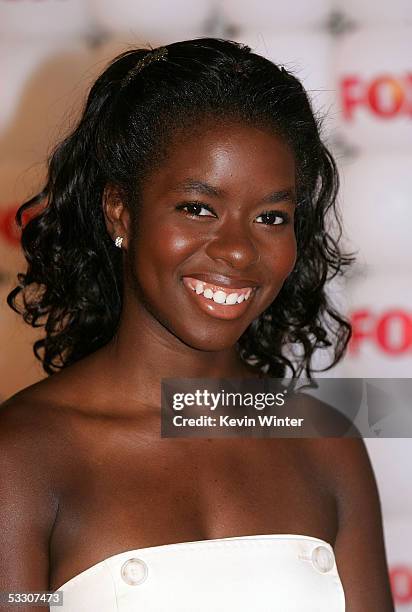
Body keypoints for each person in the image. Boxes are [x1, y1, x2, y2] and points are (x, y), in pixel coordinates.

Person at [1, 38, 394, 611]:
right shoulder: (24, 456)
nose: (237, 251)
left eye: (270, 217)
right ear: (121, 212)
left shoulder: (324, 444)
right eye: (198, 208)